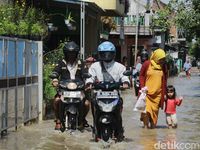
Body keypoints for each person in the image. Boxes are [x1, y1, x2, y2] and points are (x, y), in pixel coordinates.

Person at [85, 41, 130, 140]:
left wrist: (126, 83)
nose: (106, 55)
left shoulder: (120, 66)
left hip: (114, 95)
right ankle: (96, 130)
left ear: (113, 54)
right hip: (98, 95)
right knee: (94, 110)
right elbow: (90, 77)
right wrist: (89, 83)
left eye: (109, 53)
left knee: (118, 114)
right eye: (104, 53)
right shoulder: (94, 66)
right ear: (100, 54)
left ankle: (119, 132)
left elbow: (125, 77)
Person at [51, 41, 86, 130]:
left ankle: (82, 120)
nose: (71, 55)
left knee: (86, 103)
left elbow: (86, 73)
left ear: (76, 54)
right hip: (64, 89)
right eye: (69, 53)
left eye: (73, 53)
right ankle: (58, 120)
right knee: (56, 100)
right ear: (66, 54)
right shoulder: (61, 63)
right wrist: (55, 80)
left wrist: (88, 82)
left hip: (78, 89)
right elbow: (55, 72)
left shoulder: (81, 63)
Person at [139, 48, 167, 129]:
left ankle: (152, 133)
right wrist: (142, 87)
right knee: (146, 112)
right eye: (161, 59)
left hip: (157, 95)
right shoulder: (147, 64)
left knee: (154, 119)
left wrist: (164, 93)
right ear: (156, 57)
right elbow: (141, 76)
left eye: (163, 59)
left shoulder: (164, 66)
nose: (162, 61)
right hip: (147, 94)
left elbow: (164, 80)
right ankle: (145, 130)